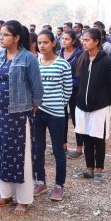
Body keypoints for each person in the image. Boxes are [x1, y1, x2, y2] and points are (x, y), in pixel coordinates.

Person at [0, 20, 43, 216]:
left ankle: (24, 199)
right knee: (2, 153)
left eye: (5, 35)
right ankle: (6, 194)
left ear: (17, 37)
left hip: (20, 114)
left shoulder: (28, 58)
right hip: (1, 113)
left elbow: (37, 88)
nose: (0, 38)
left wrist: (33, 106)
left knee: (21, 157)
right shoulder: (0, 56)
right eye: (0, 34)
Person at [72, 29, 111, 184]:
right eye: (83, 40)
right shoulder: (82, 58)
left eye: (87, 40)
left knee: (98, 138)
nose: (84, 42)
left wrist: (105, 101)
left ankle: (99, 170)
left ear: (97, 41)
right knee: (86, 137)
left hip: (99, 107)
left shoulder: (105, 61)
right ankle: (89, 168)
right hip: (82, 106)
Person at [32, 31, 72, 201]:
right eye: (39, 42)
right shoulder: (35, 63)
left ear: (53, 43)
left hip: (56, 114)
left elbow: (68, 89)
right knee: (37, 148)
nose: (42, 46)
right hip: (37, 112)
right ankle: (40, 181)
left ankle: (59, 185)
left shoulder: (63, 64)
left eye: (45, 42)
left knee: (58, 150)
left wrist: (57, 105)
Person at [59, 30, 84, 157]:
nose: (64, 41)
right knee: (61, 117)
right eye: (62, 38)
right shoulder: (59, 54)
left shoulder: (80, 55)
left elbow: (81, 74)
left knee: (76, 117)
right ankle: (62, 145)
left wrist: (72, 82)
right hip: (60, 89)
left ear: (73, 41)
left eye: (67, 39)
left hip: (75, 89)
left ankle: (80, 148)